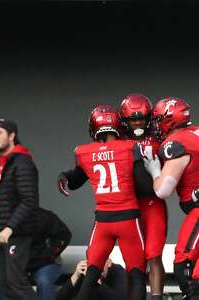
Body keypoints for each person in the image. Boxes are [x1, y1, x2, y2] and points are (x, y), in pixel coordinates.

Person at [58, 104, 146, 300]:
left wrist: (63, 177)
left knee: (91, 275)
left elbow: (74, 181)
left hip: (103, 222)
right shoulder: (130, 148)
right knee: (137, 274)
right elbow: (145, 186)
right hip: (128, 219)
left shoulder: (84, 152)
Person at [143, 97, 199, 299]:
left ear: (169, 120)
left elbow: (163, 191)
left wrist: (155, 170)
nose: (155, 125)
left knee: (183, 266)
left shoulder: (175, 144)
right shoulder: (195, 133)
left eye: (158, 120)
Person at [119, 93, 167, 300]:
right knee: (134, 261)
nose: (137, 122)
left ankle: (156, 297)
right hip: (128, 204)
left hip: (152, 202)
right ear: (125, 120)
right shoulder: (119, 140)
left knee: (154, 254)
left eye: (141, 118)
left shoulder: (160, 138)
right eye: (132, 118)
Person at [0, 118, 39, 300]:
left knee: (16, 283)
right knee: (5, 283)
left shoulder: (22, 162)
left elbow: (29, 201)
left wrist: (10, 228)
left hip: (14, 234)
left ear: (12, 135)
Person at [0, 207, 72, 300]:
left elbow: (65, 234)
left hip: (45, 264)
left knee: (44, 282)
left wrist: (49, 254)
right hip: (18, 265)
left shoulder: (44, 216)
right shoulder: (7, 221)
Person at [57, 259, 128, 300]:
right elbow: (60, 298)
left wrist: (97, 282)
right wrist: (76, 275)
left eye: (100, 262)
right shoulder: (86, 271)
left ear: (109, 262)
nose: (97, 267)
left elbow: (121, 298)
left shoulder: (118, 272)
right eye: (93, 263)